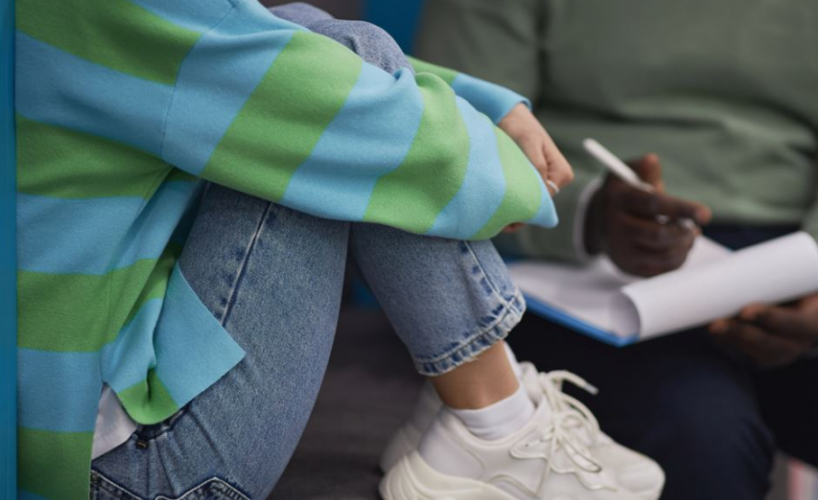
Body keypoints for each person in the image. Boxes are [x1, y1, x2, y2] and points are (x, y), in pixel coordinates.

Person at [15, 2, 662, 499]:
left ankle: (487, 419)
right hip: (123, 475)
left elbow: (256, 32)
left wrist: (484, 105)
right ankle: (494, 425)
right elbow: (333, 102)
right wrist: (520, 181)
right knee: (334, 127)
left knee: (342, 64)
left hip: (78, 426)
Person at [413, 0, 818, 498]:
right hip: (571, 255)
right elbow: (454, 132)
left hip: (814, 247)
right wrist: (584, 212)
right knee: (696, 447)